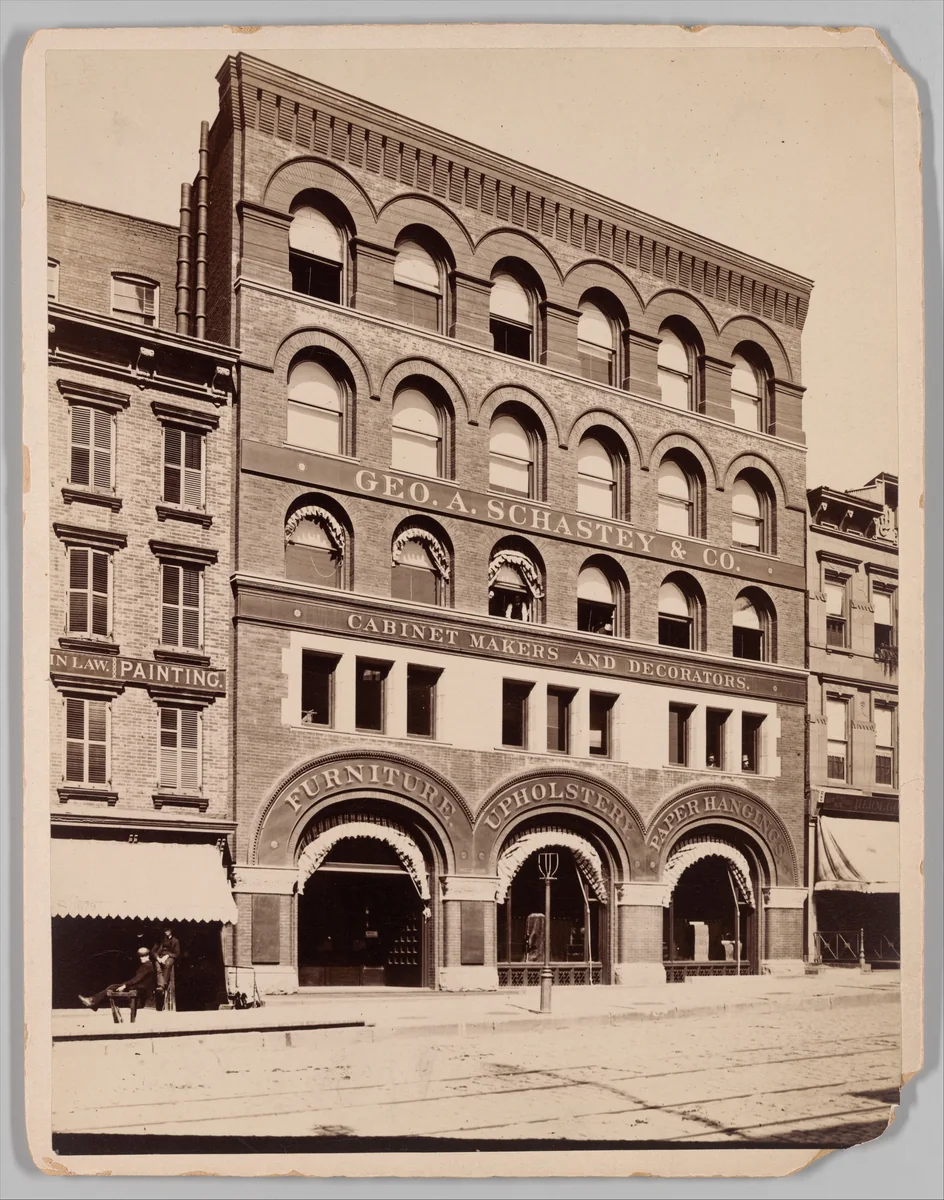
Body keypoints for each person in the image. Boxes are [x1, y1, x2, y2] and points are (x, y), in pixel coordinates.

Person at [78, 947, 155, 1023]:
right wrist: (125, 985)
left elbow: (137, 979)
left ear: (148, 956)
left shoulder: (148, 966)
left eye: (143, 956)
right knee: (112, 987)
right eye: (140, 956)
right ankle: (94, 1002)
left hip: (141, 990)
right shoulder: (145, 965)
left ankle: (93, 1001)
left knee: (112, 987)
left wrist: (125, 985)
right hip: (138, 987)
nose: (141, 958)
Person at [151, 927, 181, 1012]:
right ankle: (161, 986)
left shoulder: (175, 941)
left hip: (170, 957)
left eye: (168, 930)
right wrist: (158, 958)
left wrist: (167, 956)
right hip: (160, 957)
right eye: (165, 930)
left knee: (168, 964)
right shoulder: (160, 940)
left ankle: (163, 984)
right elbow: (153, 951)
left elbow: (177, 953)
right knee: (157, 966)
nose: (166, 932)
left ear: (171, 931)